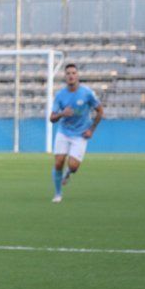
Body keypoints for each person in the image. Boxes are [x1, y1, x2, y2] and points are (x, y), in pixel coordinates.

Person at [49, 63, 104, 203]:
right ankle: (57, 194)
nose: (71, 76)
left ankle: (68, 173)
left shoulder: (86, 93)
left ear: (77, 75)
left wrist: (91, 129)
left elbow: (100, 111)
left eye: (73, 73)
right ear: (65, 77)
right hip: (64, 131)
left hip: (80, 134)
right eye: (68, 73)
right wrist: (62, 113)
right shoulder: (60, 95)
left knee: (73, 166)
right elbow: (52, 118)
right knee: (58, 162)